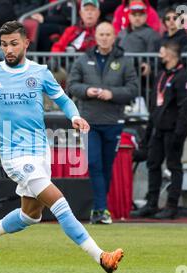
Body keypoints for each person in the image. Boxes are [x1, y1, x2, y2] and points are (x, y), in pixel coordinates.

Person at [0, 20, 124, 273]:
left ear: (26, 43)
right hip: (14, 155)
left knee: (31, 215)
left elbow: (63, 99)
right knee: (59, 203)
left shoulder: (40, 72)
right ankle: (101, 257)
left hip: (39, 151)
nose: (8, 50)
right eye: (3, 45)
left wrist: (75, 116)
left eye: (13, 44)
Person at [67, 21, 138, 224]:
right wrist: (87, 91)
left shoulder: (125, 61)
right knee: (95, 164)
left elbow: (133, 89)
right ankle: (101, 209)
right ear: (95, 37)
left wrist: (112, 93)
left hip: (113, 121)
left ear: (114, 37)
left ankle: (99, 209)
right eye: (101, 34)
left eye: (108, 34)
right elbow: (72, 85)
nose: (104, 38)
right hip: (89, 121)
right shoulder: (83, 60)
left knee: (106, 167)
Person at [131, 40, 187, 220]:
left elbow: (186, 109)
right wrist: (149, 131)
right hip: (158, 129)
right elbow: (155, 106)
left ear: (171, 54)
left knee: (174, 166)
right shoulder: (161, 75)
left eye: (162, 53)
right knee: (153, 164)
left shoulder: (183, 78)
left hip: (173, 130)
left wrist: (179, 133)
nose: (159, 56)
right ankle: (151, 204)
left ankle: (171, 206)